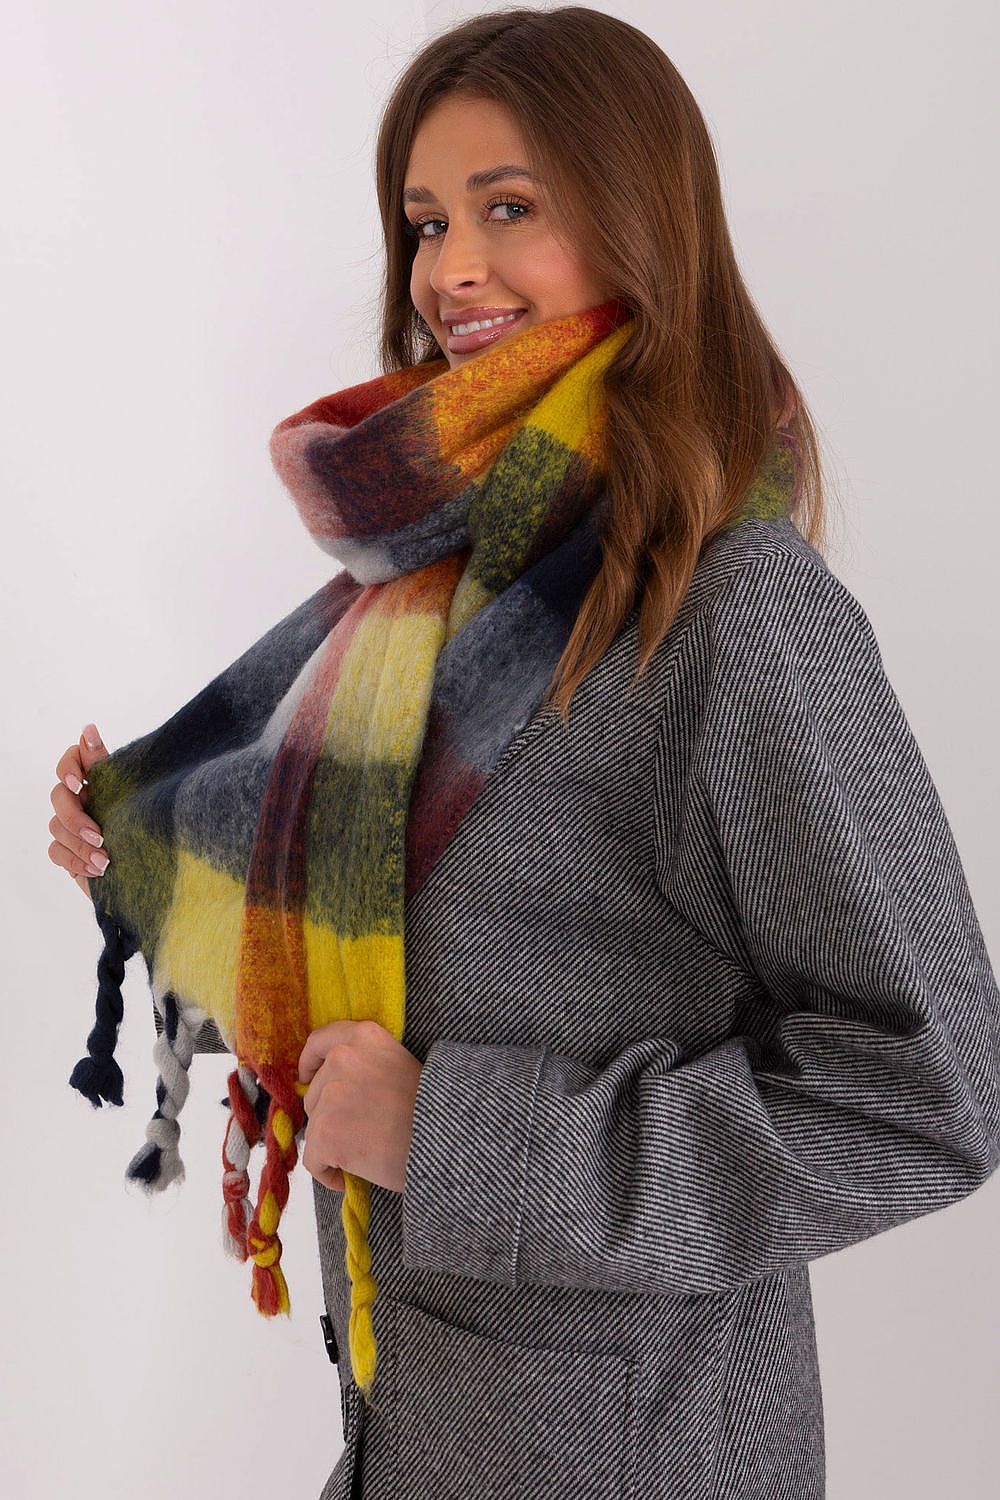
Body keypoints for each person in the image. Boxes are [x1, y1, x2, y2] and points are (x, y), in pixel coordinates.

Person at [47, 8, 999, 1500]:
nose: (449, 269)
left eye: (511, 207)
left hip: (642, 1454)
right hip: (410, 1429)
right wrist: (158, 874)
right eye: (429, 221)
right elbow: (408, 969)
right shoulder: (431, 600)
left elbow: (929, 1094)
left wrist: (454, 1138)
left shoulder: (737, 608)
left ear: (641, 223)